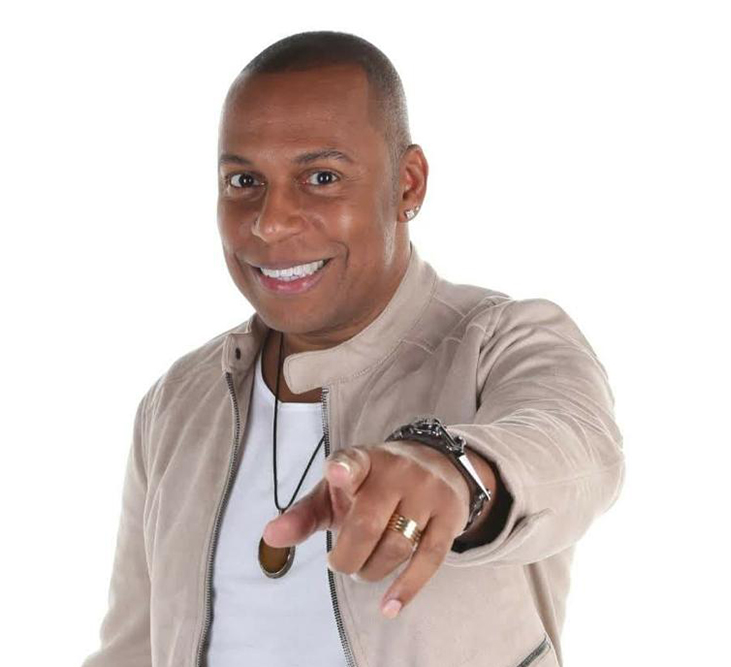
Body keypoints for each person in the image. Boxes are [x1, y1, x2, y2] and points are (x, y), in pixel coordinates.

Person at [81, 30, 624, 667]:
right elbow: (130, 649)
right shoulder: (178, 400)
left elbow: (576, 447)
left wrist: (456, 469)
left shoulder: (504, 339)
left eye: (321, 177)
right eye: (244, 180)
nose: (271, 221)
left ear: (407, 185)